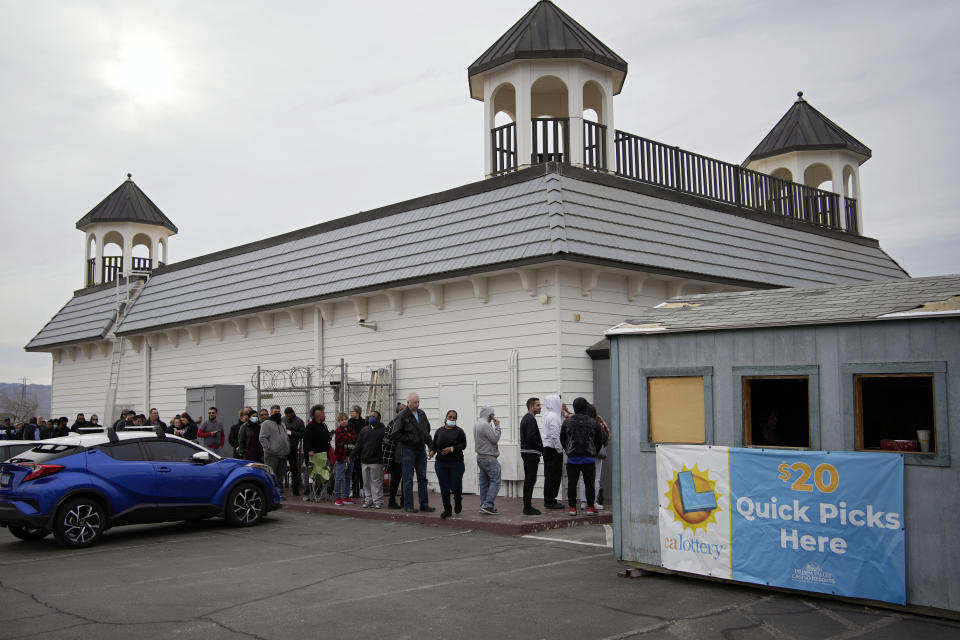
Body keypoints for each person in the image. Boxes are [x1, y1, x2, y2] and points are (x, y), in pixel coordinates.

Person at [389, 392, 434, 513]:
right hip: (408, 450)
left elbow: (426, 431)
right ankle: (408, 505)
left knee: (422, 478)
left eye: (418, 402)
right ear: (408, 402)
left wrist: (431, 446)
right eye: (414, 402)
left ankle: (424, 504)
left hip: (420, 450)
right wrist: (410, 439)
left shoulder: (422, 414)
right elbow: (395, 434)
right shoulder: (402, 416)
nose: (417, 404)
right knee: (408, 479)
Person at [560, 397, 604, 516]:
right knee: (589, 483)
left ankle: (572, 508)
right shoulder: (593, 422)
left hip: (572, 458)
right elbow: (600, 440)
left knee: (572, 483)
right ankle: (590, 507)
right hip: (589, 458)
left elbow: (562, 439)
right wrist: (594, 452)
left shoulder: (567, 422)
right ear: (585, 407)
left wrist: (568, 450)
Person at [429, 409, 467, 519]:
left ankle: (458, 499)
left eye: (454, 418)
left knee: (456, 484)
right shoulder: (439, 431)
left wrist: (452, 448)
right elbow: (434, 445)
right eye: (450, 417)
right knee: (444, 486)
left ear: (456, 420)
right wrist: (432, 452)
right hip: (441, 463)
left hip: (456, 463)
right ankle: (447, 508)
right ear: (446, 418)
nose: (451, 419)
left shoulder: (459, 432)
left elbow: (463, 445)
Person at [578, 403, 610, 510]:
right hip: (595, 454)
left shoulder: (579, 422)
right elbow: (605, 437)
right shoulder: (597, 422)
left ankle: (583, 501)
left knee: (583, 477)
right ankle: (593, 502)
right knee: (595, 478)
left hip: (582, 452)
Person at [352, 411, 386, 508]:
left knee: (376, 482)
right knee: (366, 482)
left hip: (376, 461)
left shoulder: (383, 430)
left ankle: (378, 501)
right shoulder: (364, 430)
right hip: (364, 460)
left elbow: (386, 443)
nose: (371, 418)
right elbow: (358, 444)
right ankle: (368, 500)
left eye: (374, 417)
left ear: (378, 419)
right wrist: (352, 456)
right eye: (370, 416)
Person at [474, 406, 502, 515]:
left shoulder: (477, 424)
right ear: (489, 414)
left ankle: (483, 505)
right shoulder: (485, 425)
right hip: (489, 457)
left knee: (484, 482)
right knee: (496, 480)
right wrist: (497, 426)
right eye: (492, 414)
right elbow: (495, 439)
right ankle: (488, 504)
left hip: (480, 457)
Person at [519, 397, 543, 516]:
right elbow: (531, 437)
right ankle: (527, 507)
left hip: (528, 452)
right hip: (530, 453)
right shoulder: (530, 419)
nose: (540, 407)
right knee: (530, 479)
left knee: (530, 479)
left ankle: (527, 506)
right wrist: (540, 446)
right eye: (538, 405)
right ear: (531, 406)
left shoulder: (527, 418)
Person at [541, 395, 565, 509]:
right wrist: (560, 449)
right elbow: (555, 435)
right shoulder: (554, 417)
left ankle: (548, 498)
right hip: (553, 449)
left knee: (549, 474)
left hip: (546, 447)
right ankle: (551, 500)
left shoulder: (546, 415)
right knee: (555, 474)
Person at [304, 404, 332, 495]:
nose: (325, 416)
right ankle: (308, 492)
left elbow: (327, 438)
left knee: (322, 472)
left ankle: (318, 491)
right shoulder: (310, 426)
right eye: (323, 414)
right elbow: (306, 440)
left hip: (323, 454)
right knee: (311, 473)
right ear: (318, 416)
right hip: (313, 454)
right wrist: (309, 450)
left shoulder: (324, 425)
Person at [260, 405, 290, 485]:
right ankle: (271, 494)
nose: (277, 413)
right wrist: (270, 449)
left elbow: (285, 436)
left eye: (278, 412)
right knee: (271, 475)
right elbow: (262, 438)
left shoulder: (282, 424)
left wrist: (287, 448)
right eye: (275, 412)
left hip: (283, 455)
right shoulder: (266, 424)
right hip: (271, 455)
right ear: (271, 413)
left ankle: (279, 493)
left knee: (281, 476)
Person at [332, 412, 357, 505]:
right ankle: (338, 497)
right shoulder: (338, 431)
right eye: (342, 420)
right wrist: (349, 437)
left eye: (346, 419)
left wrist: (349, 438)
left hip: (350, 456)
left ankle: (346, 496)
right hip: (341, 457)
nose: (344, 421)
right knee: (339, 477)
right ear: (339, 421)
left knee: (348, 477)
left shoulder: (351, 429)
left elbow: (355, 438)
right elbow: (344, 439)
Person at [383, 403, 405, 509]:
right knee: (395, 481)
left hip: (407, 457)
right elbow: (386, 440)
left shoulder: (410, 422)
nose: (403, 411)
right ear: (397, 412)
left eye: (404, 409)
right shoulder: (392, 423)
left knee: (406, 481)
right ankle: (392, 501)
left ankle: (404, 501)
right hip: (396, 458)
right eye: (401, 409)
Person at [283, 407, 306, 496]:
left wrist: (293, 433)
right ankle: (281, 488)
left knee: (294, 468)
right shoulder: (283, 420)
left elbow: (303, 434)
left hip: (292, 447)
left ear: (292, 413)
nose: (287, 417)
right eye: (286, 416)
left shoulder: (299, 421)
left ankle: (295, 488)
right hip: (282, 447)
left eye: (289, 415)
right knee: (281, 467)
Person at [347, 406, 366, 499]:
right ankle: (353, 489)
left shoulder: (363, 422)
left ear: (358, 412)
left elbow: (364, 434)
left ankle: (362, 489)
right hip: (352, 448)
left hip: (361, 448)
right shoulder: (349, 422)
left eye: (352, 411)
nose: (351, 413)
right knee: (352, 470)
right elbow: (349, 434)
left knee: (361, 469)